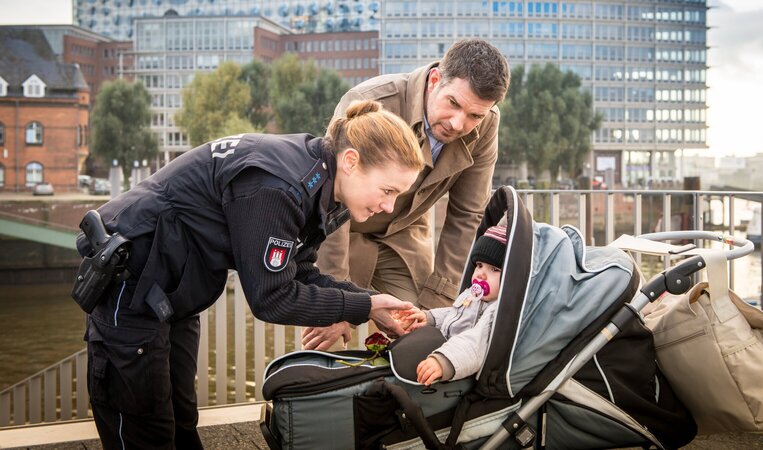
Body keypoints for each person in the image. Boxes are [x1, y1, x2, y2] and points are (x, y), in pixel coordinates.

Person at [74, 100, 425, 449]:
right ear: (351, 161)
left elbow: (299, 270)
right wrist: (363, 308)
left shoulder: (323, 188)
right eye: (388, 191)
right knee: (145, 428)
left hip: (174, 290)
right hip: (131, 282)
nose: (389, 207)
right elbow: (271, 297)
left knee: (181, 418)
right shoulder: (278, 186)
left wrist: (371, 303)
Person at [303, 38, 510, 351]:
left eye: (475, 116)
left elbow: (467, 215)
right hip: (342, 227)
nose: (458, 124)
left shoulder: (487, 123)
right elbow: (332, 197)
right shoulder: (370, 102)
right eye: (453, 103)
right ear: (436, 79)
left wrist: (439, 302)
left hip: (405, 236)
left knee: (426, 341)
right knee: (325, 340)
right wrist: (336, 303)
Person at [400, 225, 507, 385]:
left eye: (494, 269)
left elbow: (475, 343)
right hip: (446, 346)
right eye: (479, 265)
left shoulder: (497, 311)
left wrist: (444, 361)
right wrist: (430, 318)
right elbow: (455, 313)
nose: (481, 274)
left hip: (460, 364)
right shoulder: (472, 295)